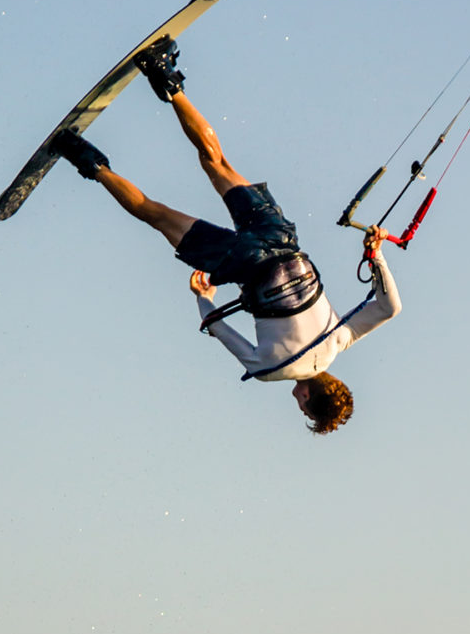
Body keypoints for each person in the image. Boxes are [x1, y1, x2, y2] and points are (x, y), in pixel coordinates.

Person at [50, 39, 401, 435]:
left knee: (216, 161)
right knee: (153, 212)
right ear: (307, 401)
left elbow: (390, 308)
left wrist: (375, 253)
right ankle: (80, 153)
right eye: (304, 410)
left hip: (281, 242)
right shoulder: (271, 371)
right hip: (242, 262)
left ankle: (164, 75)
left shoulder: (340, 341)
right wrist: (204, 298)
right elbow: (217, 326)